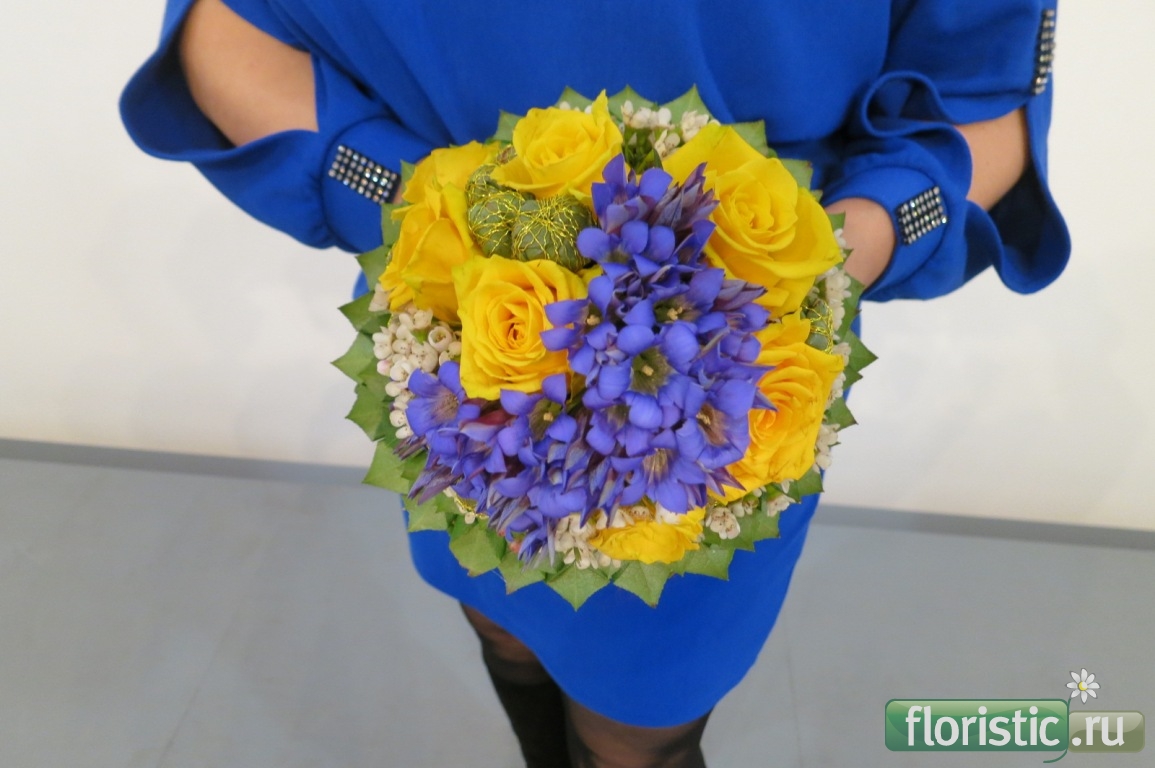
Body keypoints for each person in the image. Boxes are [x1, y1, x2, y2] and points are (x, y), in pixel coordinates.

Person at [121, 1, 1069, 765]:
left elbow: (981, 92)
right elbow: (228, 27)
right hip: (469, 353)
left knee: (643, 722)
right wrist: (445, 215)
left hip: (725, 392)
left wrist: (814, 261)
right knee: (501, 619)